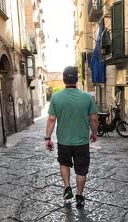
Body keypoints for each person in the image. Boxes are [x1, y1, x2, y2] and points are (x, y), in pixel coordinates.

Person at [45, 66, 99, 207]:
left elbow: (51, 120)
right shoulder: (87, 97)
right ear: (77, 79)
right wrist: (94, 133)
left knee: (64, 164)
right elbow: (94, 119)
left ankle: (67, 187)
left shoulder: (56, 97)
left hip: (64, 141)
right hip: (81, 142)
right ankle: (80, 196)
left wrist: (48, 138)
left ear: (63, 79)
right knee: (81, 170)